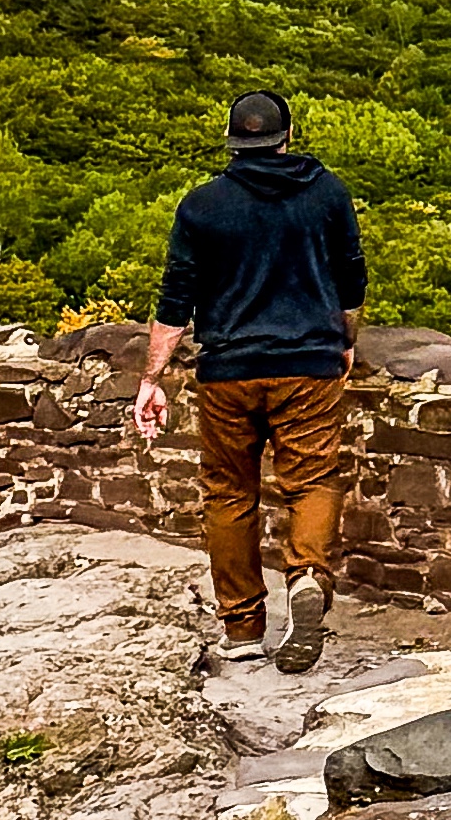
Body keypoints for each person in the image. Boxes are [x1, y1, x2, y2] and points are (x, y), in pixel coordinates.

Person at [137, 86, 370, 672]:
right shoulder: (327, 194)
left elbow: (176, 301)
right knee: (312, 480)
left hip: (229, 372)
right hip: (308, 365)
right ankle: (308, 576)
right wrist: (344, 342)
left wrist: (151, 379)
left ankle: (241, 628)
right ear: (288, 137)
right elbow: (352, 279)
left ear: (234, 142)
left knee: (229, 494)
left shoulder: (202, 206)